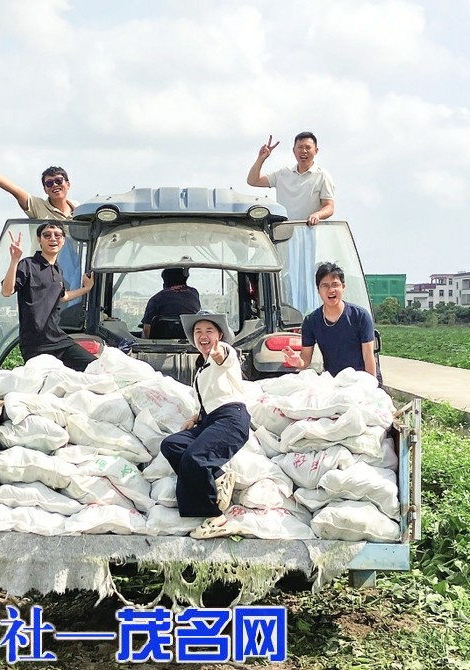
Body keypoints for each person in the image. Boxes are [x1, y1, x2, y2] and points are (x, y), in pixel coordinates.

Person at [160, 311, 250, 539]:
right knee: (171, 445)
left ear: (220, 336)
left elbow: (222, 356)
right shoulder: (201, 369)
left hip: (231, 418)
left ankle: (215, 516)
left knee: (194, 458)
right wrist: (195, 417)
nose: (203, 335)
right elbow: (209, 399)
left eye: (209, 331)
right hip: (209, 420)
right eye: (198, 331)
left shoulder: (225, 352)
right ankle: (218, 476)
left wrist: (218, 352)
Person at [246, 132, 336, 314]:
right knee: (282, 276)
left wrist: (317, 215)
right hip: (284, 236)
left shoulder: (322, 176)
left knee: (307, 277)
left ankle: (309, 314)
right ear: (293, 150)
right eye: (300, 147)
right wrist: (261, 158)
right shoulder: (283, 173)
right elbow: (253, 180)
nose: (304, 151)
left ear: (316, 151)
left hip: (308, 236)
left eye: (308, 147)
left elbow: (329, 207)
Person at [0, 153, 82, 293]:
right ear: (45, 189)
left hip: (71, 273)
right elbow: (15, 191)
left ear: (68, 184)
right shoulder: (38, 206)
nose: (55, 185)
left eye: (58, 181)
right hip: (44, 271)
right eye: (49, 183)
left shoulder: (79, 210)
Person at [2, 221, 95, 370]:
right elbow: (7, 291)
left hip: (58, 339)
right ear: (39, 240)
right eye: (47, 235)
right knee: (45, 381)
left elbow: (62, 296)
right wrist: (14, 261)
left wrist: (86, 289)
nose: (53, 238)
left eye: (57, 235)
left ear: (63, 240)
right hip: (35, 344)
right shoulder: (28, 265)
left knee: (94, 367)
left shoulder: (58, 270)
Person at [282, 262, 378, 379]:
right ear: (318, 290)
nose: (331, 290)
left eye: (335, 285)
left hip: (360, 380)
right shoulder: (311, 321)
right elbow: (305, 358)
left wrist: (370, 385)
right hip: (333, 381)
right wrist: (298, 362)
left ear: (343, 287)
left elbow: (368, 356)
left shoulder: (360, 316)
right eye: (325, 285)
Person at [140, 268, 201, 338]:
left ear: (165, 281)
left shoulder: (156, 299)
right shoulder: (193, 293)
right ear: (184, 280)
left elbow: (146, 329)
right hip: (189, 340)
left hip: (161, 341)